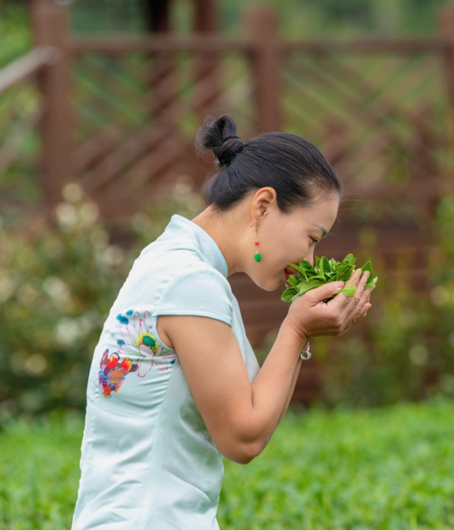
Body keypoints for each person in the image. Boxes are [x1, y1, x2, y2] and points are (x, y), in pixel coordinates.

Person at [71, 115, 375, 529]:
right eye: (311, 238)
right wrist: (296, 329)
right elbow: (242, 438)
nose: (309, 260)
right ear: (263, 205)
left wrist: (300, 333)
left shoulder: (171, 262)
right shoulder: (190, 282)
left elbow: (252, 413)